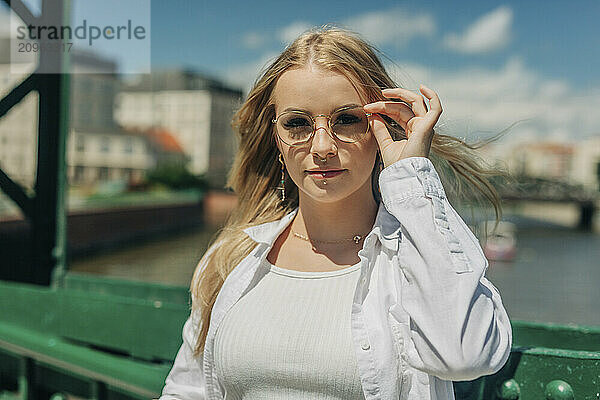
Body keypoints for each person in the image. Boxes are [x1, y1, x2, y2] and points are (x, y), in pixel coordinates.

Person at [159, 25, 512, 400]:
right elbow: (186, 391)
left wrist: (410, 176)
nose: (323, 146)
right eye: (297, 124)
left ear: (382, 126)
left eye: (347, 119)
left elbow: (462, 356)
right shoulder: (230, 258)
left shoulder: (414, 259)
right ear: (276, 137)